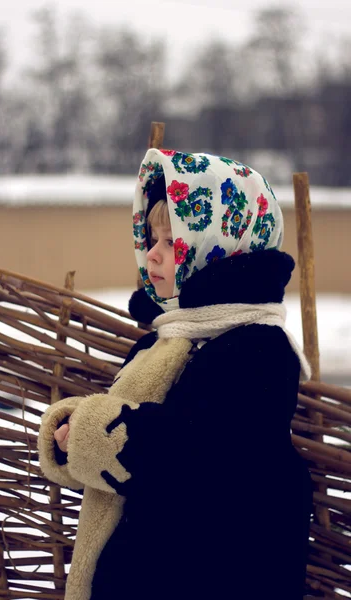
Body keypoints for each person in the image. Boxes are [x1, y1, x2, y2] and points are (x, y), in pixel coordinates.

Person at [38, 148, 313, 600]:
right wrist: (76, 435)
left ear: (221, 244)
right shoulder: (165, 340)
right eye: (150, 240)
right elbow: (136, 434)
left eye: (172, 242)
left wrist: (93, 431)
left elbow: (200, 452)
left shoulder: (257, 349)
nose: (153, 257)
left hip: (220, 574)